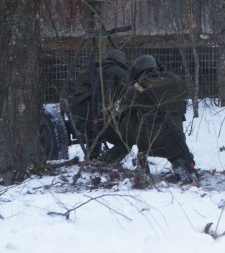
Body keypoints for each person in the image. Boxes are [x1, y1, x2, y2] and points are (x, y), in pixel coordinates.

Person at [102, 55, 197, 184]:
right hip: (176, 141)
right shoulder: (175, 81)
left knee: (127, 119)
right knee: (169, 134)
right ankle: (178, 162)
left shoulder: (138, 87)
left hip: (148, 144)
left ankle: (136, 161)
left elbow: (125, 108)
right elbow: (177, 85)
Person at [61, 49, 130, 159]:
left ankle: (93, 162)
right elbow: (132, 94)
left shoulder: (87, 71)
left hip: (78, 119)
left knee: (93, 138)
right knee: (127, 142)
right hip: (99, 119)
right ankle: (103, 162)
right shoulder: (120, 72)